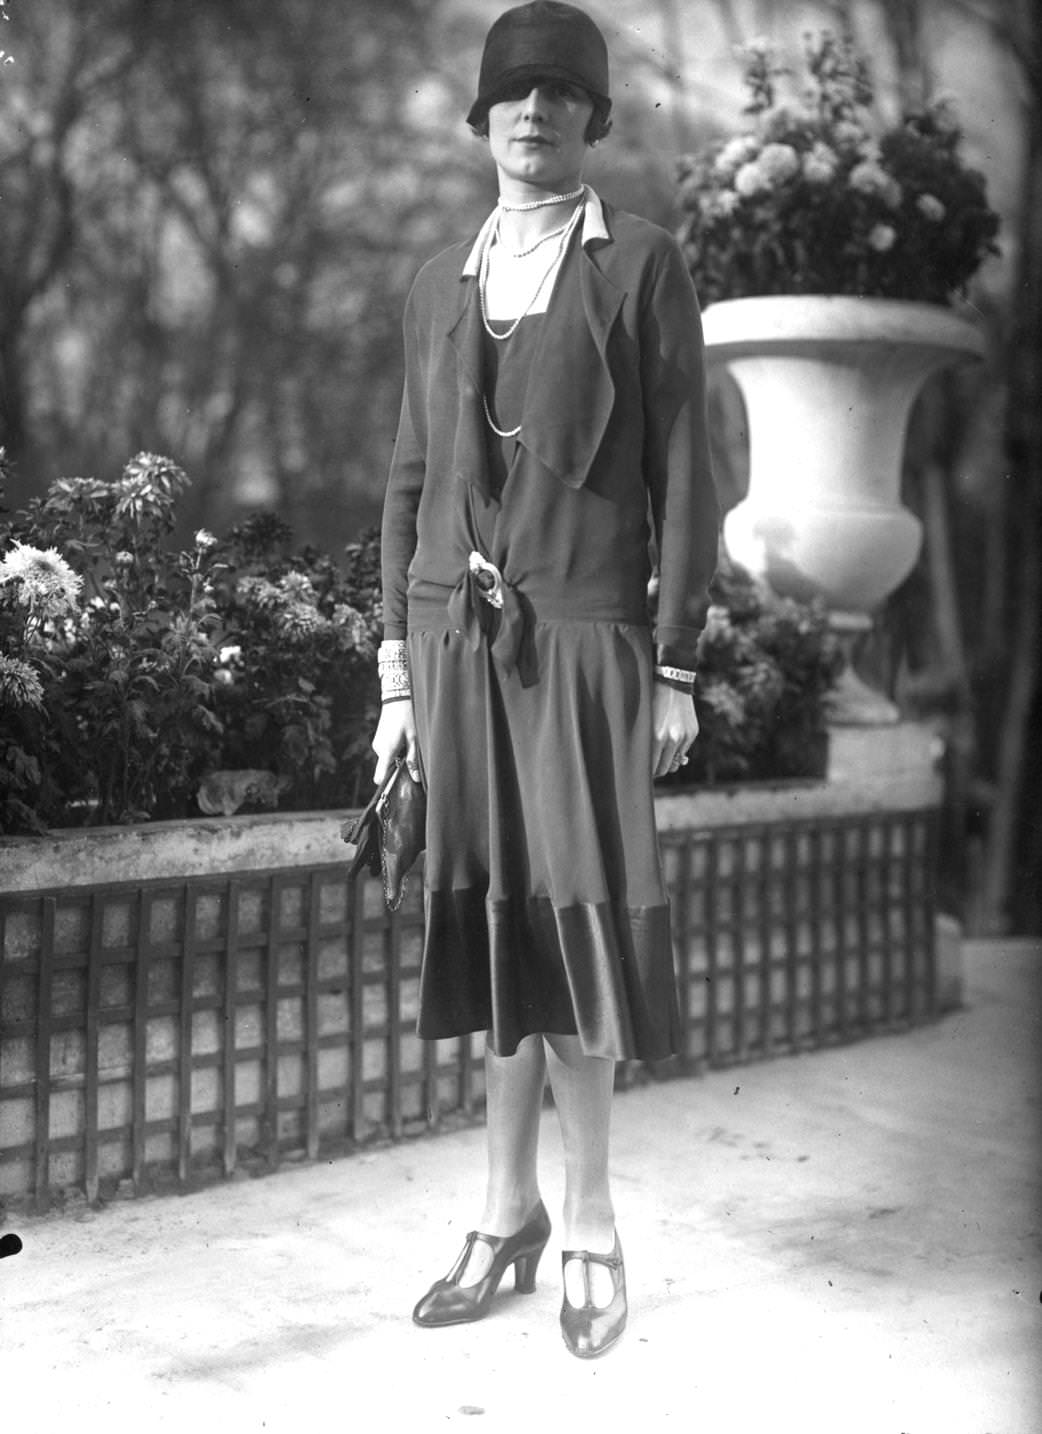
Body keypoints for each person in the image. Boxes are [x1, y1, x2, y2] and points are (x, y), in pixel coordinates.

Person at [372, 0, 718, 1359]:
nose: (532, 113)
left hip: (583, 646)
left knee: (573, 939)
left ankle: (587, 1220)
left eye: (558, 94)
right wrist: (395, 687)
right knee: (495, 933)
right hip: (458, 652)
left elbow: (688, 473)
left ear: (592, 120)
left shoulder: (640, 265)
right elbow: (407, 488)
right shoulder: (431, 284)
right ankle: (502, 1206)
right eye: (510, 93)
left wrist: (677, 657)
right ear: (481, 120)